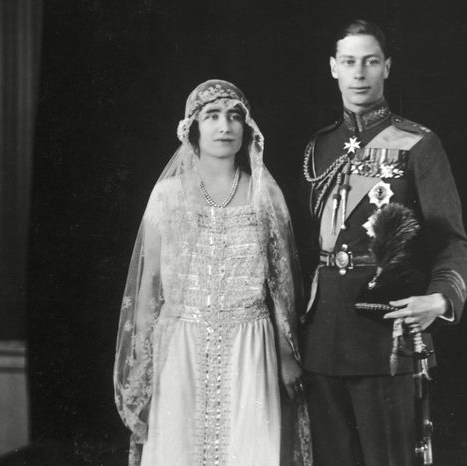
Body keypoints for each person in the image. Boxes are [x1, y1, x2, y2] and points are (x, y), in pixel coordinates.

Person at [297, 20, 467, 465]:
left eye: (370, 62)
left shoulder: (418, 144)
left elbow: (452, 239)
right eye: (350, 62)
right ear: (333, 68)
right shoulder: (320, 147)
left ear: (386, 68)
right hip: (322, 336)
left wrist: (440, 298)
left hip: (386, 335)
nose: (360, 73)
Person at [114, 79, 312, 466]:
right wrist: (144, 360)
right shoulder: (168, 195)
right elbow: (149, 285)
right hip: (179, 344)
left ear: (247, 128)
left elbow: (281, 286)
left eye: (235, 117)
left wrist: (287, 354)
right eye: (213, 116)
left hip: (250, 345)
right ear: (194, 128)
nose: (225, 126)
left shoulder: (264, 195)